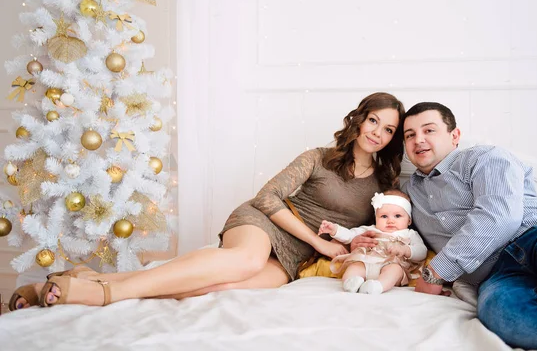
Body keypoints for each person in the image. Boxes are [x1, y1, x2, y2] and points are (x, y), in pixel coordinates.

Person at [9, 92, 406, 310]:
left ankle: (83, 277)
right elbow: (267, 197)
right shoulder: (317, 158)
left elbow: (389, 224)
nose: (378, 132)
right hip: (266, 225)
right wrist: (320, 241)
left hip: (295, 259)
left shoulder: (385, 181)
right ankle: (101, 295)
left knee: (212, 288)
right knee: (243, 260)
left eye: (388, 129)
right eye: (374, 121)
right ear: (358, 119)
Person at [352, 102, 537, 351]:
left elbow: (499, 215)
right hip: (498, 273)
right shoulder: (407, 195)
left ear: (454, 135)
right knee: (504, 316)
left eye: (429, 130)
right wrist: (359, 240)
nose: (419, 140)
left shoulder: (484, 157)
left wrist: (437, 272)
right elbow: (392, 229)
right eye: (410, 135)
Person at [318, 189, 427, 295]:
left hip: (392, 263)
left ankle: (378, 286)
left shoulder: (409, 234)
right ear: (376, 218)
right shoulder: (370, 229)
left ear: (409, 220)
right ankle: (351, 282)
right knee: (355, 266)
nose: (390, 221)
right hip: (366, 262)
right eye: (384, 216)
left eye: (397, 216)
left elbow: (422, 251)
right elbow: (349, 235)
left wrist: (405, 250)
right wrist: (334, 230)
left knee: (395, 270)